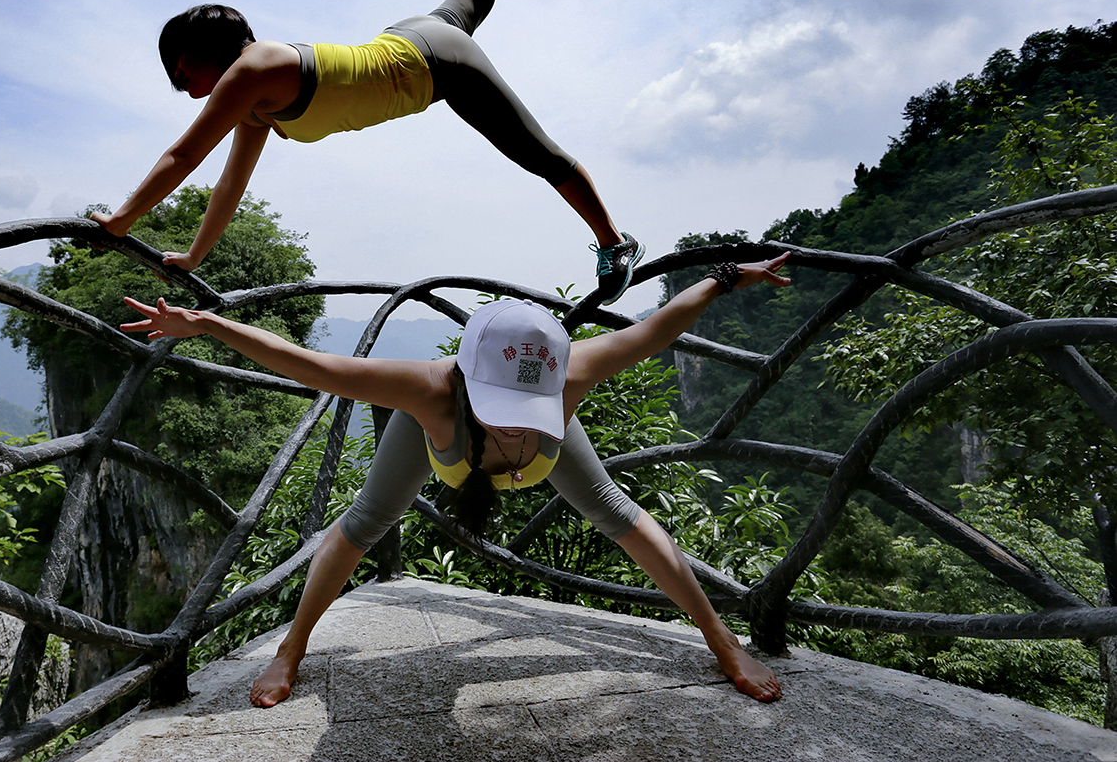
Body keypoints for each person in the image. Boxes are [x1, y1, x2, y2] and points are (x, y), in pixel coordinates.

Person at [120, 252, 792, 706]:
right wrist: (204, 324)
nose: (514, 431)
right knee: (361, 525)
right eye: (503, 413)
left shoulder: (572, 376)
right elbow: (310, 366)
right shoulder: (428, 391)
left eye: (527, 413)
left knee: (619, 514)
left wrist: (727, 275)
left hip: (543, 456)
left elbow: (658, 327)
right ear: (466, 379)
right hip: (439, 443)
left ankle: (722, 643)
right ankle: (292, 652)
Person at [93, 0, 645, 304]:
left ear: (209, 45)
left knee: (538, 154)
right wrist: (194, 255)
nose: (185, 88)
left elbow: (184, 154)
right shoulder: (254, 102)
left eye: (183, 72)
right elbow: (231, 184)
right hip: (410, 37)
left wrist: (121, 221)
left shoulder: (250, 68)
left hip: (435, 63)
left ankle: (616, 243)